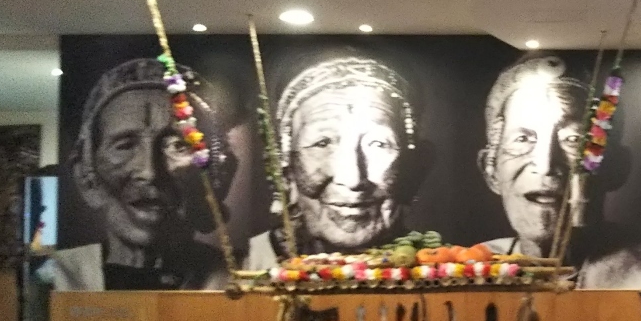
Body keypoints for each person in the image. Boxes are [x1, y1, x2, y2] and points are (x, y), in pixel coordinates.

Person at [478, 53, 641, 288]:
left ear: (618, 167)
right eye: (522, 139)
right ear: (490, 170)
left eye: (573, 139)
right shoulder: (476, 266)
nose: (546, 165)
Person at [57, 58, 236, 290]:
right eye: (125, 145)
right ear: (86, 176)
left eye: (178, 146)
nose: (150, 172)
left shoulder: (239, 279)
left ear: (216, 175)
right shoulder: (57, 278)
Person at [247, 56, 425, 266]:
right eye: (322, 143)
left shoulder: (442, 266)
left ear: (411, 168)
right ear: (286, 169)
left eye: (378, 144)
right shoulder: (248, 265)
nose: (353, 179)